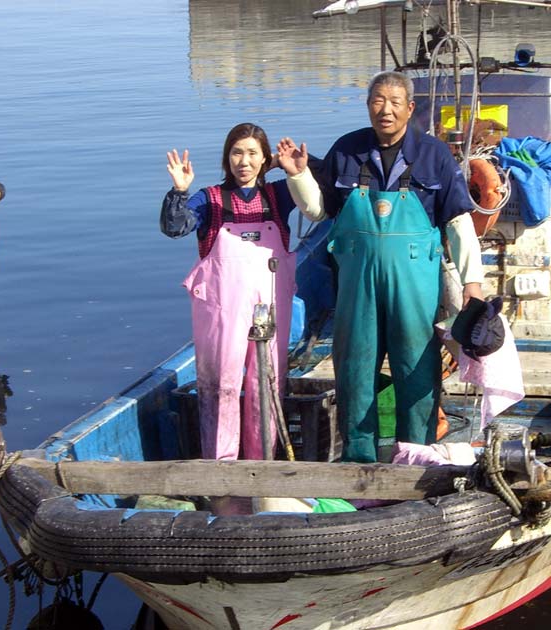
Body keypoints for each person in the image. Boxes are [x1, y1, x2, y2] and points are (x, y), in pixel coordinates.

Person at [277, 71, 484, 463]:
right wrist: (298, 174)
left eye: (393, 102)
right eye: (377, 100)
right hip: (357, 286)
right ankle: (359, 461)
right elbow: (319, 211)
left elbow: (457, 222)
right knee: (355, 368)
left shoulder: (434, 155)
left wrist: (472, 282)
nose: (385, 110)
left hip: (415, 287)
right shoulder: (346, 150)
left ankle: (418, 457)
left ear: (409, 108)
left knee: (417, 369)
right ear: (368, 104)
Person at [160, 122, 320, 461]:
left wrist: (287, 165)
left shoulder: (277, 196)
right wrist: (179, 191)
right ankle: (222, 464)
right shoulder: (209, 199)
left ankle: (262, 461)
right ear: (226, 158)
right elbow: (174, 227)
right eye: (236, 153)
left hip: (270, 305)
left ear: (264, 158)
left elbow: (318, 193)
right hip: (222, 311)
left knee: (268, 382)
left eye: (252, 154)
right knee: (223, 384)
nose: (243, 162)